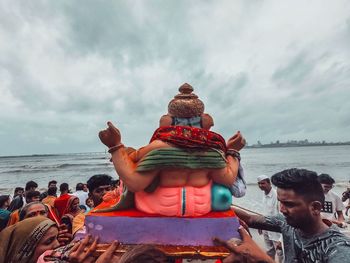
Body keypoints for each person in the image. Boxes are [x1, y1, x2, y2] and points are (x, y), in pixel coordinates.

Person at [98, 84, 245, 216]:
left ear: (167, 121)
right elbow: (227, 179)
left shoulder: (158, 147)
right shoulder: (213, 149)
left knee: (130, 167)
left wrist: (115, 147)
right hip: (200, 207)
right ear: (205, 120)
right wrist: (232, 151)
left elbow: (135, 183)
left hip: (159, 207)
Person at [232, 168, 350, 263]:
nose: (282, 210)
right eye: (280, 202)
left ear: (315, 208)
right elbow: (250, 219)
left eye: (289, 204)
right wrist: (220, 204)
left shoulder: (338, 249)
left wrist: (264, 260)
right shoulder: (287, 224)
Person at [257, 175, 284, 262]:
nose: (261, 185)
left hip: (275, 229)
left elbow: (281, 215)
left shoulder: (276, 195)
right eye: (259, 184)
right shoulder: (263, 194)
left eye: (263, 183)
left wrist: (281, 239)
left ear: (269, 183)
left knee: (280, 252)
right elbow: (264, 211)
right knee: (269, 251)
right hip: (266, 227)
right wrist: (260, 224)